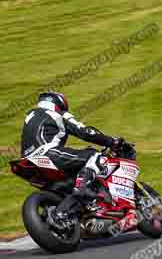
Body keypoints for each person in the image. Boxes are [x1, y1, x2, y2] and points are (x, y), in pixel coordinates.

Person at [20, 92, 125, 230]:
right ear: (59, 103)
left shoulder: (31, 116)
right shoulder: (58, 114)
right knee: (95, 155)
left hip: (26, 161)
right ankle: (82, 189)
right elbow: (86, 132)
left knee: (70, 175)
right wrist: (111, 141)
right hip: (48, 153)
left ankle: (72, 207)